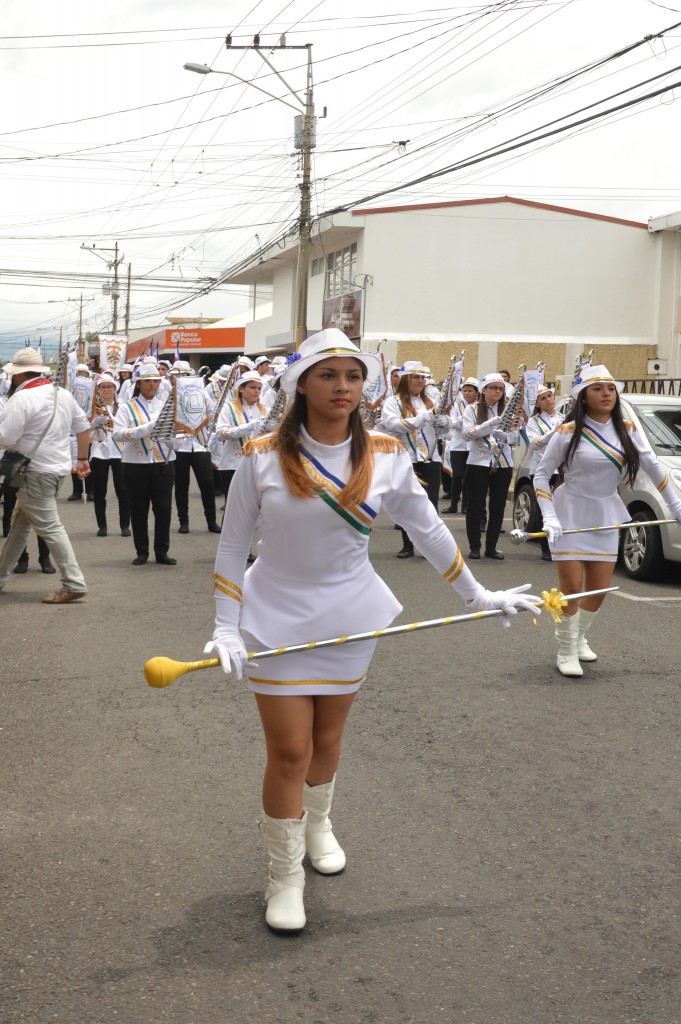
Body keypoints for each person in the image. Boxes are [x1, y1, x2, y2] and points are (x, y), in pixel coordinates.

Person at [204, 328, 539, 934]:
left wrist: (477, 594)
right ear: (300, 383)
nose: (343, 387)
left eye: (353, 376)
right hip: (274, 613)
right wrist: (227, 627)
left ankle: (319, 823)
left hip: (351, 614)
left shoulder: (385, 451)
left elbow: (428, 526)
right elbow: (232, 548)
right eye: (328, 375)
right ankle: (284, 877)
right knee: (289, 750)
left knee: (328, 739)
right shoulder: (260, 454)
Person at [534, 364, 681, 677]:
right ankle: (565, 648)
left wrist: (676, 506)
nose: (606, 394)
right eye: (598, 389)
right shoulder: (568, 431)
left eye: (610, 389)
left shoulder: (627, 428)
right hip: (570, 513)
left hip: (604, 513)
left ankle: (580, 636)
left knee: (597, 591)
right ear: (584, 396)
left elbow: (654, 468)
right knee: (571, 588)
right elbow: (542, 476)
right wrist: (549, 516)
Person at [0, 347, 91, 603]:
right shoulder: (61, 393)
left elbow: (6, 438)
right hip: (56, 469)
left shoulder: (21, 399)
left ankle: (73, 582)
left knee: (50, 527)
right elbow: (83, 429)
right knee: (21, 525)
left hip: (32, 471)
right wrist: (82, 459)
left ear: (18, 375)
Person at [380, 360, 450, 558]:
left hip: (430, 458)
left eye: (423, 377)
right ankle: (408, 544)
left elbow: (443, 430)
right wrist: (422, 418)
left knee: (430, 504)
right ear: (405, 379)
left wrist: (445, 422)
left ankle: (430, 546)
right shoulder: (393, 402)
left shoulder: (431, 402)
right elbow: (393, 424)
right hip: (406, 458)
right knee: (407, 503)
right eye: (416, 377)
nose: (420, 381)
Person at [112, 360, 178, 566]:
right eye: (147, 381)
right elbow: (118, 434)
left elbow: (178, 436)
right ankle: (142, 551)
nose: (152, 385)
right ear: (138, 384)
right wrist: (146, 428)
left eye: (156, 381)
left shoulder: (167, 406)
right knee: (138, 509)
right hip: (135, 463)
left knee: (163, 508)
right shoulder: (126, 407)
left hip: (163, 462)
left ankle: (162, 551)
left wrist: (168, 438)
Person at [462, 372, 519, 561]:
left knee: (498, 506)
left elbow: (515, 437)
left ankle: (492, 547)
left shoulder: (509, 411)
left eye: (501, 388)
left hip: (503, 463)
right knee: (475, 506)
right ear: (483, 390)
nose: (498, 391)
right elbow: (467, 434)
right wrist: (490, 424)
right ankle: (475, 546)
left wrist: (506, 435)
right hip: (478, 461)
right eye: (493, 387)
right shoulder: (472, 409)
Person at [171, 362, 220, 535]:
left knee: (207, 483)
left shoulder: (202, 394)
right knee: (181, 485)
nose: (181, 378)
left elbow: (213, 413)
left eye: (185, 375)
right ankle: (183, 521)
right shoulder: (171, 396)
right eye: (177, 375)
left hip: (200, 444)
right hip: (180, 445)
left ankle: (211, 522)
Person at [215, 370, 269, 507]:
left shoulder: (265, 411)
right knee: (232, 506)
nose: (256, 391)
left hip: (258, 464)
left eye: (259, 388)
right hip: (232, 463)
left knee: (257, 506)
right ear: (241, 389)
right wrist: (246, 428)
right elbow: (220, 434)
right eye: (252, 387)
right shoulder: (229, 408)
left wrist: (275, 427)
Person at [89, 371, 131, 538]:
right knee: (100, 490)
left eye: (109, 387)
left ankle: (125, 525)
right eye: (103, 387)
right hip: (99, 451)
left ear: (115, 389)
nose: (106, 390)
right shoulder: (93, 407)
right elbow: (84, 429)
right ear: (98, 390)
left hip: (120, 451)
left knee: (123, 489)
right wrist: (94, 422)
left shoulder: (123, 406)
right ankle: (102, 526)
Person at [524, 385, 563, 561]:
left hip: (561, 469)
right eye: (543, 398)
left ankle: (561, 544)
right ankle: (546, 548)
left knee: (561, 506)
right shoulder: (533, 422)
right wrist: (554, 432)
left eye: (550, 396)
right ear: (538, 404)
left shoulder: (562, 417)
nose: (548, 400)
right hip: (541, 469)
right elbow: (536, 443)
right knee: (544, 509)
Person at [442, 377, 479, 515]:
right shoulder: (457, 406)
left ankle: (465, 505)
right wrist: (465, 418)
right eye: (465, 391)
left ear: (476, 392)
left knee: (468, 477)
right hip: (458, 445)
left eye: (470, 391)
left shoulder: (480, 406)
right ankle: (453, 504)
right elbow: (453, 424)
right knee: (457, 475)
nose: (467, 393)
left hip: (473, 445)